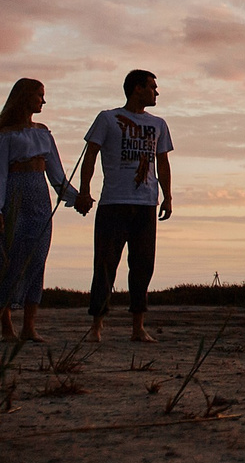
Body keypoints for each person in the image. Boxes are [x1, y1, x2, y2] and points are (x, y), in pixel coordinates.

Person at [0, 77, 84, 341]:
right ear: (25, 97)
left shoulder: (43, 132)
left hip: (39, 198)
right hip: (14, 197)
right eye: (39, 95)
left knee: (37, 258)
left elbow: (56, 172)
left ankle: (29, 326)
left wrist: (73, 197)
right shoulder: (6, 134)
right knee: (8, 259)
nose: (43, 100)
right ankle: (7, 327)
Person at [74, 68, 173, 344]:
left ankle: (138, 326)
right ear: (137, 88)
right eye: (152, 86)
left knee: (143, 265)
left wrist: (167, 196)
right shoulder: (107, 119)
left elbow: (162, 162)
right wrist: (84, 190)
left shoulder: (159, 124)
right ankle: (97, 325)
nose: (156, 92)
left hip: (145, 203)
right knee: (105, 263)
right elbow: (91, 154)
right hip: (114, 202)